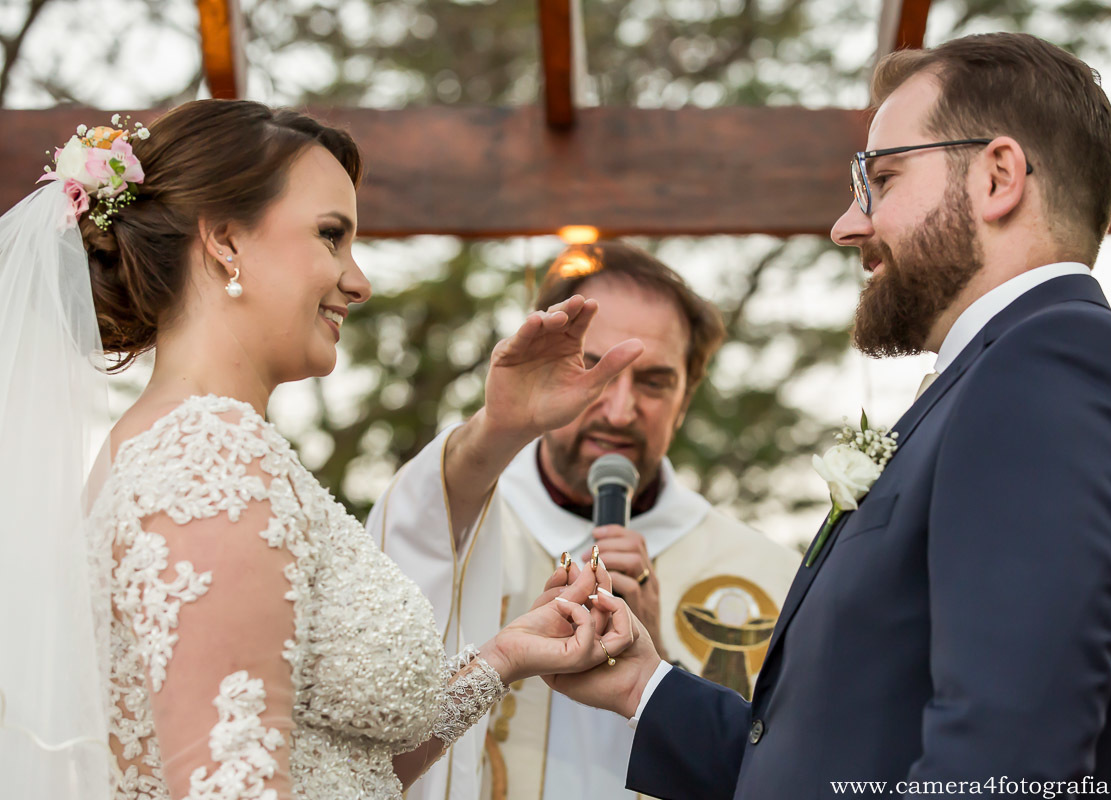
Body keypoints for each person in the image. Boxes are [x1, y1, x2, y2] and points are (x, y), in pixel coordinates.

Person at [549, 32, 1111, 795]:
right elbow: (835, 765)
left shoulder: (1055, 367)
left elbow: (1000, 766)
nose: (847, 225)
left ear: (998, 177)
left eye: (883, 178)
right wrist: (643, 684)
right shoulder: (1003, 379)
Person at [0, 99, 644, 800]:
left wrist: (505, 655)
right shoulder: (210, 457)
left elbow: (338, 771)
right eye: (331, 236)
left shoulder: (182, 444)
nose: (359, 281)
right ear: (225, 241)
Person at [368, 241, 801, 800]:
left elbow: (798, 770)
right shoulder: (455, 522)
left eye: (654, 382)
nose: (619, 412)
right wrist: (499, 425)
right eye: (592, 368)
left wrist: (661, 666)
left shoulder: (767, 574)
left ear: (686, 397)